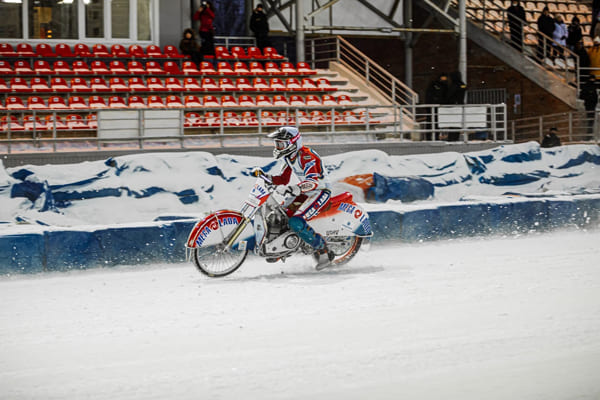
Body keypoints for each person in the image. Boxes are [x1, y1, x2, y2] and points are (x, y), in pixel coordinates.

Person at [251, 127, 334, 269]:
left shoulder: (306, 156)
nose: (278, 147)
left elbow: (313, 181)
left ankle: (324, 251)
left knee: (296, 222)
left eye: (281, 144)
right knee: (281, 215)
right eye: (277, 144)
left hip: (320, 191)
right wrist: (264, 176)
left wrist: (296, 188)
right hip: (305, 191)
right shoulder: (289, 157)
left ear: (293, 143)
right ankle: (282, 248)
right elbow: (283, 179)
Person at [424, 74, 450, 140]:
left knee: (437, 123)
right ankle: (429, 137)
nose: (444, 80)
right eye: (443, 78)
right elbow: (429, 96)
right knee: (430, 122)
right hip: (432, 107)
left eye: (445, 78)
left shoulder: (445, 86)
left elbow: (445, 97)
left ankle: (436, 136)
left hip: (439, 108)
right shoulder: (433, 85)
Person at [579, 75, 598, 139]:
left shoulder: (589, 86)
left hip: (590, 105)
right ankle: (589, 135)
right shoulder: (589, 86)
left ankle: (589, 135)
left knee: (590, 120)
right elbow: (582, 96)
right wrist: (590, 96)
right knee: (590, 120)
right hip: (590, 105)